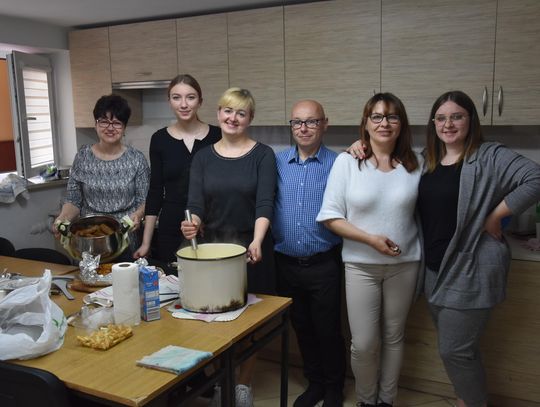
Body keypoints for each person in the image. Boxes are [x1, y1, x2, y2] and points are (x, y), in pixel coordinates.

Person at [417, 90, 540, 407]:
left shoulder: (489, 155)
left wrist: (497, 215)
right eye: (441, 118)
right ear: (433, 123)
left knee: (454, 350)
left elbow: (535, 177)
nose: (448, 124)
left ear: (471, 120)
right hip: (434, 270)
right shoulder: (427, 159)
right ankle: (465, 399)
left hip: (469, 268)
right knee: (460, 350)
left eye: (456, 116)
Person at [317, 93, 422, 407]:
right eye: (376, 116)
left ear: (401, 124)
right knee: (363, 344)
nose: (384, 123)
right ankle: (366, 399)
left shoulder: (417, 163)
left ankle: (386, 400)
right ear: (365, 123)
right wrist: (370, 240)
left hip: (405, 265)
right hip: (360, 265)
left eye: (392, 116)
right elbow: (330, 217)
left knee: (394, 337)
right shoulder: (348, 163)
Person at [181, 87, 277, 407]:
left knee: (248, 326)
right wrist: (192, 222)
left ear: (250, 118)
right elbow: (195, 204)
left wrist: (257, 240)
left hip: (251, 249)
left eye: (241, 113)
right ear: (218, 113)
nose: (233, 118)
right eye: (228, 111)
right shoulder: (203, 157)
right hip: (213, 251)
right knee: (212, 322)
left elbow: (265, 203)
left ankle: (242, 386)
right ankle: (222, 382)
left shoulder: (263, 155)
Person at [272, 100, 346, 407]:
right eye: (297, 122)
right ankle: (315, 383)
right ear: (291, 125)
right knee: (301, 327)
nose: (303, 128)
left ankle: (334, 388)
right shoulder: (276, 162)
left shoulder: (340, 163)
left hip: (323, 263)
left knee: (328, 329)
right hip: (286, 263)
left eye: (311, 121)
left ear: (324, 124)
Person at [133, 74, 221, 266]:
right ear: (169, 102)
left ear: (200, 101)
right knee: (174, 281)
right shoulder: (159, 139)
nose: (183, 104)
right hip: (171, 227)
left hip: (212, 226)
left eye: (190, 97)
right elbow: (155, 192)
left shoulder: (218, 136)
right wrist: (146, 242)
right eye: (176, 97)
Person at [55, 94, 150, 258]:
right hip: (88, 237)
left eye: (117, 123)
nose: (110, 128)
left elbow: (144, 201)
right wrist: (62, 218)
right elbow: (73, 200)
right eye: (104, 121)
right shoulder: (83, 157)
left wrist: (137, 215)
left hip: (124, 237)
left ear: (124, 127)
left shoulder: (136, 159)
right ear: (96, 124)